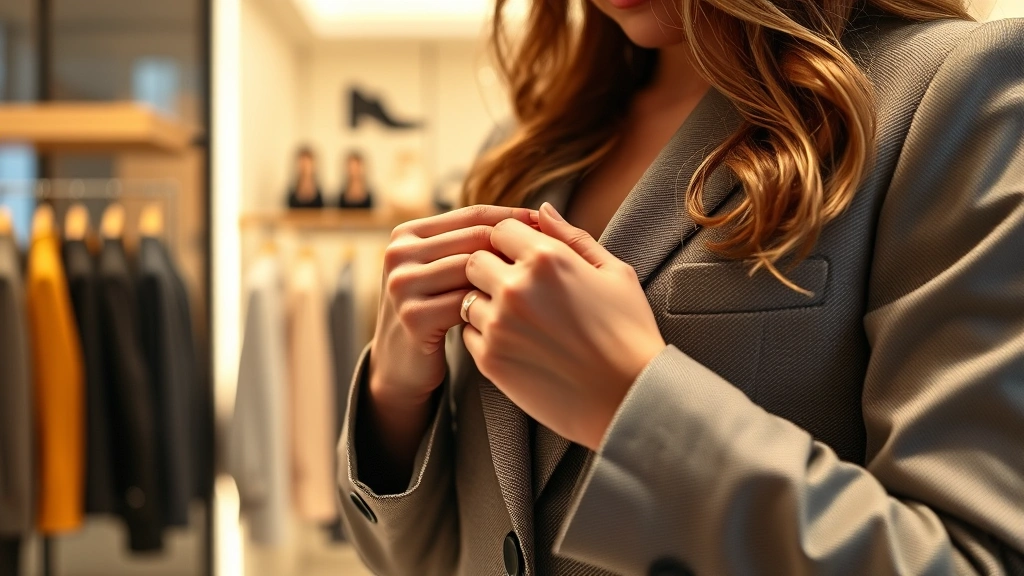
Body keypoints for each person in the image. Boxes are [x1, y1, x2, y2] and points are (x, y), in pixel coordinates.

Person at [337, 0, 1024, 574]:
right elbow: (438, 557)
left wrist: (632, 404)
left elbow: (967, 560)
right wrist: (395, 398)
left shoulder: (951, 88)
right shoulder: (521, 149)